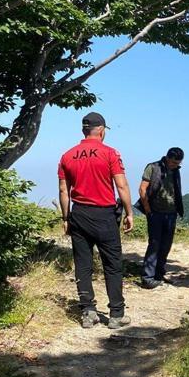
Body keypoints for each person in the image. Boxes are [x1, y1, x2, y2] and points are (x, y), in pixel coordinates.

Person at [57, 112, 134, 329]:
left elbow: (64, 189)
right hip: (104, 215)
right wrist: (129, 212)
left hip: (79, 214)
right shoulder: (110, 153)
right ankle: (116, 314)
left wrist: (66, 217)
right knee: (113, 264)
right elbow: (121, 185)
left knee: (83, 264)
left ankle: (88, 311)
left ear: (84, 130)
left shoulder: (67, 155)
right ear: (101, 130)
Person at [138, 147, 185, 289]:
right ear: (166, 157)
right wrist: (147, 209)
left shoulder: (176, 170)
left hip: (171, 213)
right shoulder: (153, 167)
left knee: (166, 245)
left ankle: (159, 273)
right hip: (155, 212)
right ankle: (147, 277)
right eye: (172, 162)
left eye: (177, 163)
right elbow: (142, 189)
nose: (174, 165)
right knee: (154, 244)